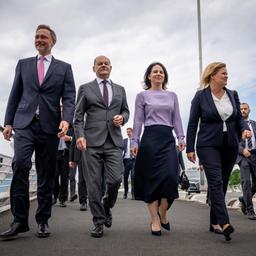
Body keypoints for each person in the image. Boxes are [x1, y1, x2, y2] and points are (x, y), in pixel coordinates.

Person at [0, 24, 76, 240]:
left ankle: (42, 220)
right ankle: (19, 221)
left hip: (50, 127)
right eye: (36, 37)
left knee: (45, 174)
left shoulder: (64, 68)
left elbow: (69, 98)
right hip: (24, 124)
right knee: (20, 164)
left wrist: (66, 121)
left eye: (43, 37)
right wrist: (8, 122)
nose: (39, 40)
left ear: (52, 41)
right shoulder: (23, 65)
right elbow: (15, 94)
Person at [186, 62, 251, 241]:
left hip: (229, 145)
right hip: (207, 145)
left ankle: (214, 221)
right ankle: (224, 222)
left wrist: (244, 128)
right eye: (223, 73)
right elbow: (192, 123)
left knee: (221, 184)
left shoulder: (232, 94)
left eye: (227, 73)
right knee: (215, 181)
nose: (226, 76)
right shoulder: (200, 97)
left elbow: (239, 118)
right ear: (212, 75)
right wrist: (190, 148)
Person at [74, 55, 129, 238]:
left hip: (113, 141)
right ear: (94, 68)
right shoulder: (85, 88)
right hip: (91, 142)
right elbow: (78, 117)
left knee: (115, 180)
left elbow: (126, 111)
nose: (103, 66)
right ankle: (98, 221)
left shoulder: (120, 89)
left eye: (106, 64)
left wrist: (123, 118)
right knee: (93, 184)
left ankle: (106, 205)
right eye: (100, 63)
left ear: (111, 68)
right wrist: (80, 136)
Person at [131, 62, 185, 236]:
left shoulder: (172, 96)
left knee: (171, 175)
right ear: (149, 76)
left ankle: (163, 210)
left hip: (167, 138)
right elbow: (138, 121)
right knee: (151, 180)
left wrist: (181, 137)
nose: (158, 74)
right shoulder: (142, 96)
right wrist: (134, 142)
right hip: (150, 139)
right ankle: (155, 219)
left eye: (161, 72)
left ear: (164, 76)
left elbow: (176, 118)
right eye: (155, 71)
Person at [237, 102, 256, 220]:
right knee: (246, 183)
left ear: (249, 110)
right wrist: (242, 150)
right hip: (243, 156)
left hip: (254, 155)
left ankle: (244, 199)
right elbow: (233, 141)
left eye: (245, 109)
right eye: (241, 109)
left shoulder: (254, 124)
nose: (243, 110)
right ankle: (250, 210)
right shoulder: (235, 126)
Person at [53, 127, 73, 207]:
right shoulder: (54, 123)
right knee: (54, 175)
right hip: (55, 153)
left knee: (64, 177)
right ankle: (55, 196)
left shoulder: (70, 126)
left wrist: (70, 138)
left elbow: (75, 137)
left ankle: (63, 199)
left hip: (66, 154)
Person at [69, 135, 88, 211]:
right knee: (81, 180)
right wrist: (71, 159)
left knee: (94, 179)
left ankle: (97, 199)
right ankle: (83, 202)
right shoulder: (77, 127)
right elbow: (72, 144)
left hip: (93, 155)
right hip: (80, 156)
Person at [122, 127, 136, 199]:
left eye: (129, 132)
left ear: (132, 132)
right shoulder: (124, 141)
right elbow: (121, 150)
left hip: (133, 160)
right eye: (127, 132)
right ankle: (125, 193)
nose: (128, 133)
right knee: (125, 177)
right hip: (126, 160)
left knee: (133, 177)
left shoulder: (136, 141)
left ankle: (133, 194)